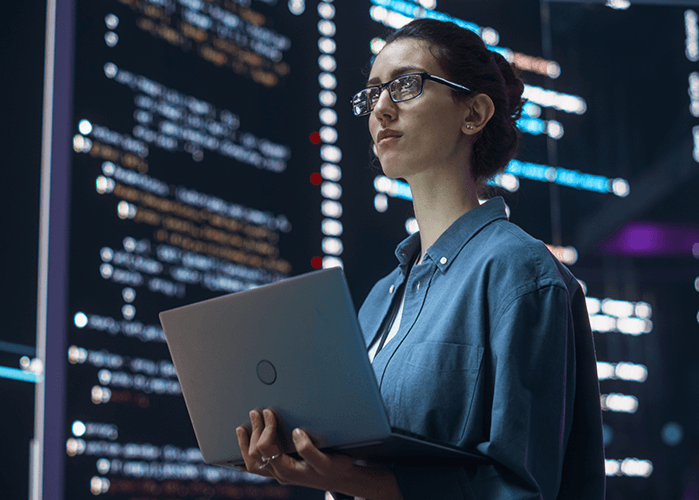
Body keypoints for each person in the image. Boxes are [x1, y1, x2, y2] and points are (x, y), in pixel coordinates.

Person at [235, 18, 606, 499]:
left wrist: (346, 478)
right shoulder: (379, 300)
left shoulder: (519, 272)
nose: (381, 109)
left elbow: (519, 489)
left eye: (405, 85)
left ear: (473, 113)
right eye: (373, 93)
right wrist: (303, 459)